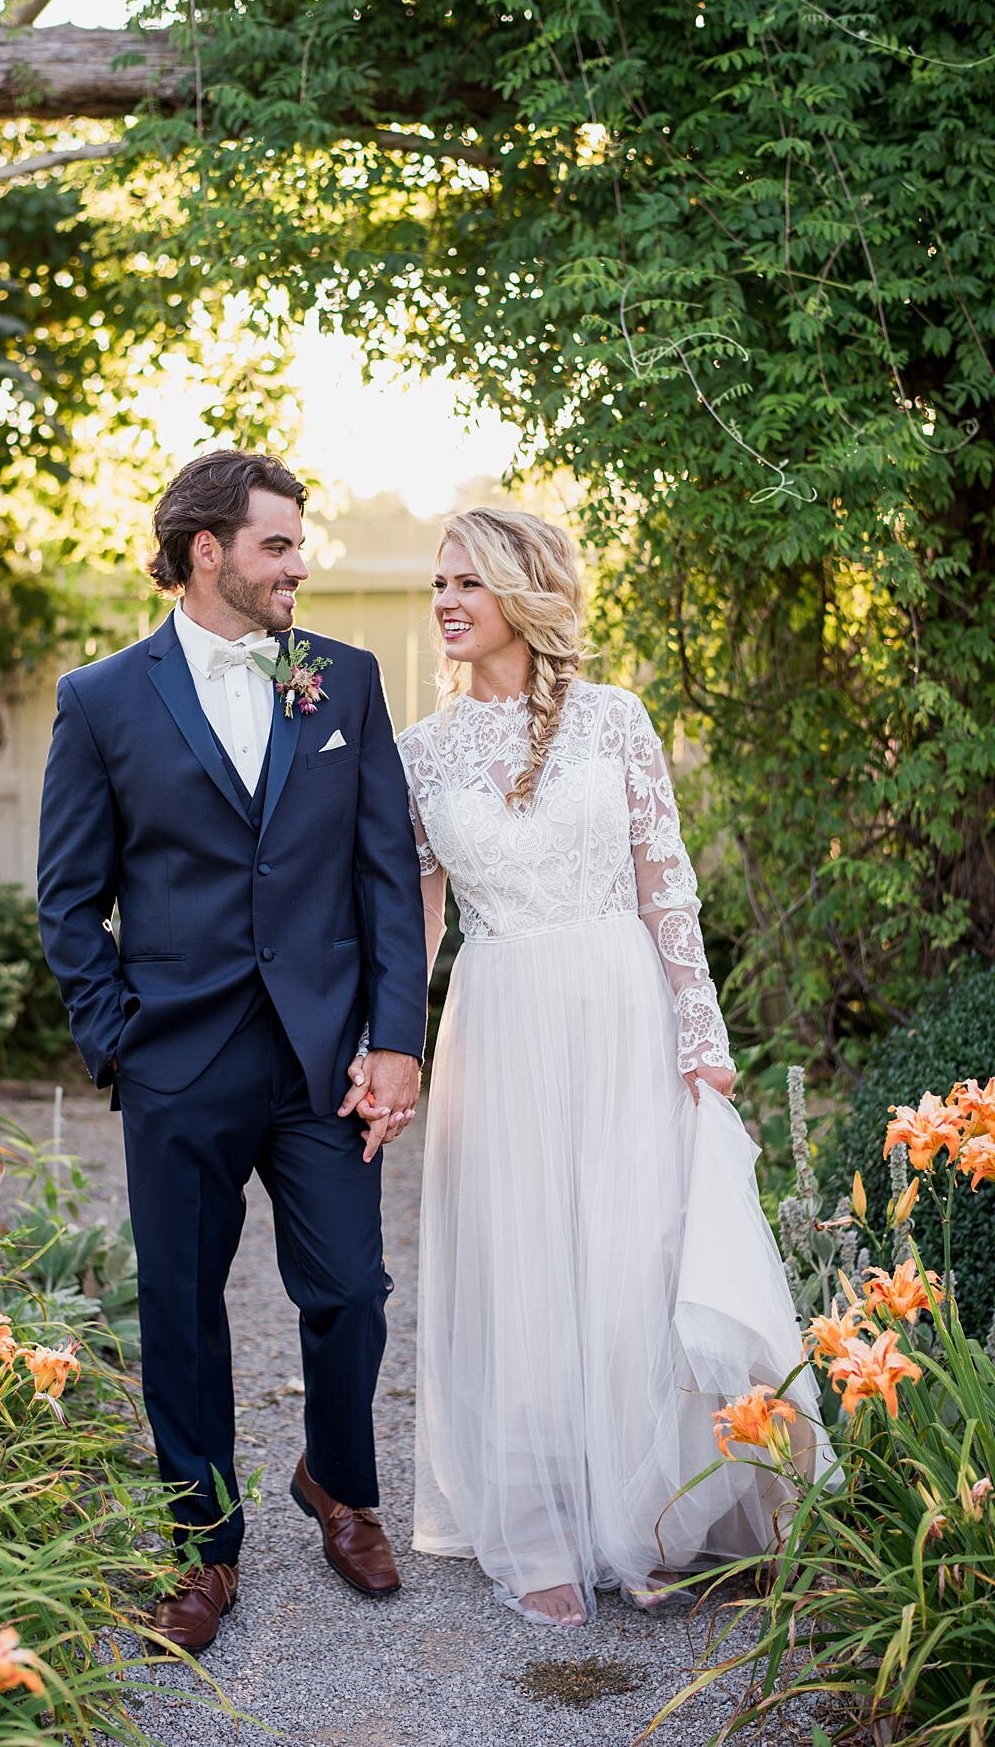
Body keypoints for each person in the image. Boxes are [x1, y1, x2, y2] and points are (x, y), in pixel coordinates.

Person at [376, 505, 823, 1627]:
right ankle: (533, 1527)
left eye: (466, 583)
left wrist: (702, 1042)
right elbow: (416, 926)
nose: (445, 602)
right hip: (504, 1019)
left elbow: (668, 886)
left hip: (622, 1009)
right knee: (520, 1263)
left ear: (523, 592)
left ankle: (641, 1518)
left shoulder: (617, 721)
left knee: (630, 1260)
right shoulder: (420, 753)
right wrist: (395, 1055)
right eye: (439, 584)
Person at [38, 449, 427, 1651]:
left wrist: (397, 1042)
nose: (297, 565)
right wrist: (121, 1043)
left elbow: (386, 880)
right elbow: (68, 899)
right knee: (183, 1311)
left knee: (351, 1289)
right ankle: (202, 1547)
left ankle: (339, 1482)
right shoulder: (102, 699)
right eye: (277, 545)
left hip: (319, 1063)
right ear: (207, 551)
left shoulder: (343, 684)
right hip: (179, 1061)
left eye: (297, 545)